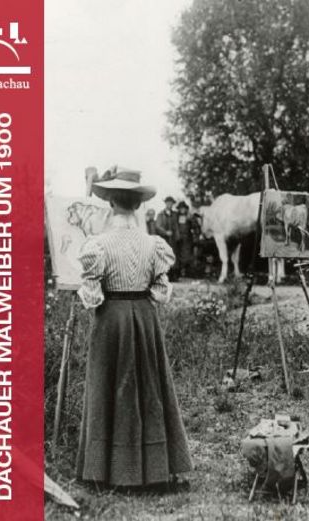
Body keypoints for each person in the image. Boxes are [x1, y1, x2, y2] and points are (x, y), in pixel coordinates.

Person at [75, 167, 192, 491]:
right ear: (138, 205)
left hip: (111, 319)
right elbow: (160, 291)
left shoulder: (97, 245)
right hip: (144, 317)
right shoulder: (153, 244)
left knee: (106, 385)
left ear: (111, 202)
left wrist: (87, 290)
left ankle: (105, 470)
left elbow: (92, 294)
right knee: (150, 388)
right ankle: (154, 469)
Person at [156, 196, 180, 281]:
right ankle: (164, 276)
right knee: (164, 256)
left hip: (173, 240)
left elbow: (177, 226)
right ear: (165, 203)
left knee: (173, 256)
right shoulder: (160, 214)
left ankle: (174, 276)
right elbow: (158, 226)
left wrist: (177, 236)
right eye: (168, 202)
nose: (169, 204)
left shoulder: (175, 214)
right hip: (164, 239)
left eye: (171, 203)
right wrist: (165, 232)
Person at [175, 201, 195, 278]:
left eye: (184, 208)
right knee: (179, 255)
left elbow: (194, 226)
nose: (182, 210)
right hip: (179, 238)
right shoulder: (176, 216)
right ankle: (180, 272)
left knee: (187, 255)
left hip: (187, 239)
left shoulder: (189, 216)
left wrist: (191, 220)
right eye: (181, 208)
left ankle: (187, 272)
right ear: (179, 209)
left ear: (186, 209)